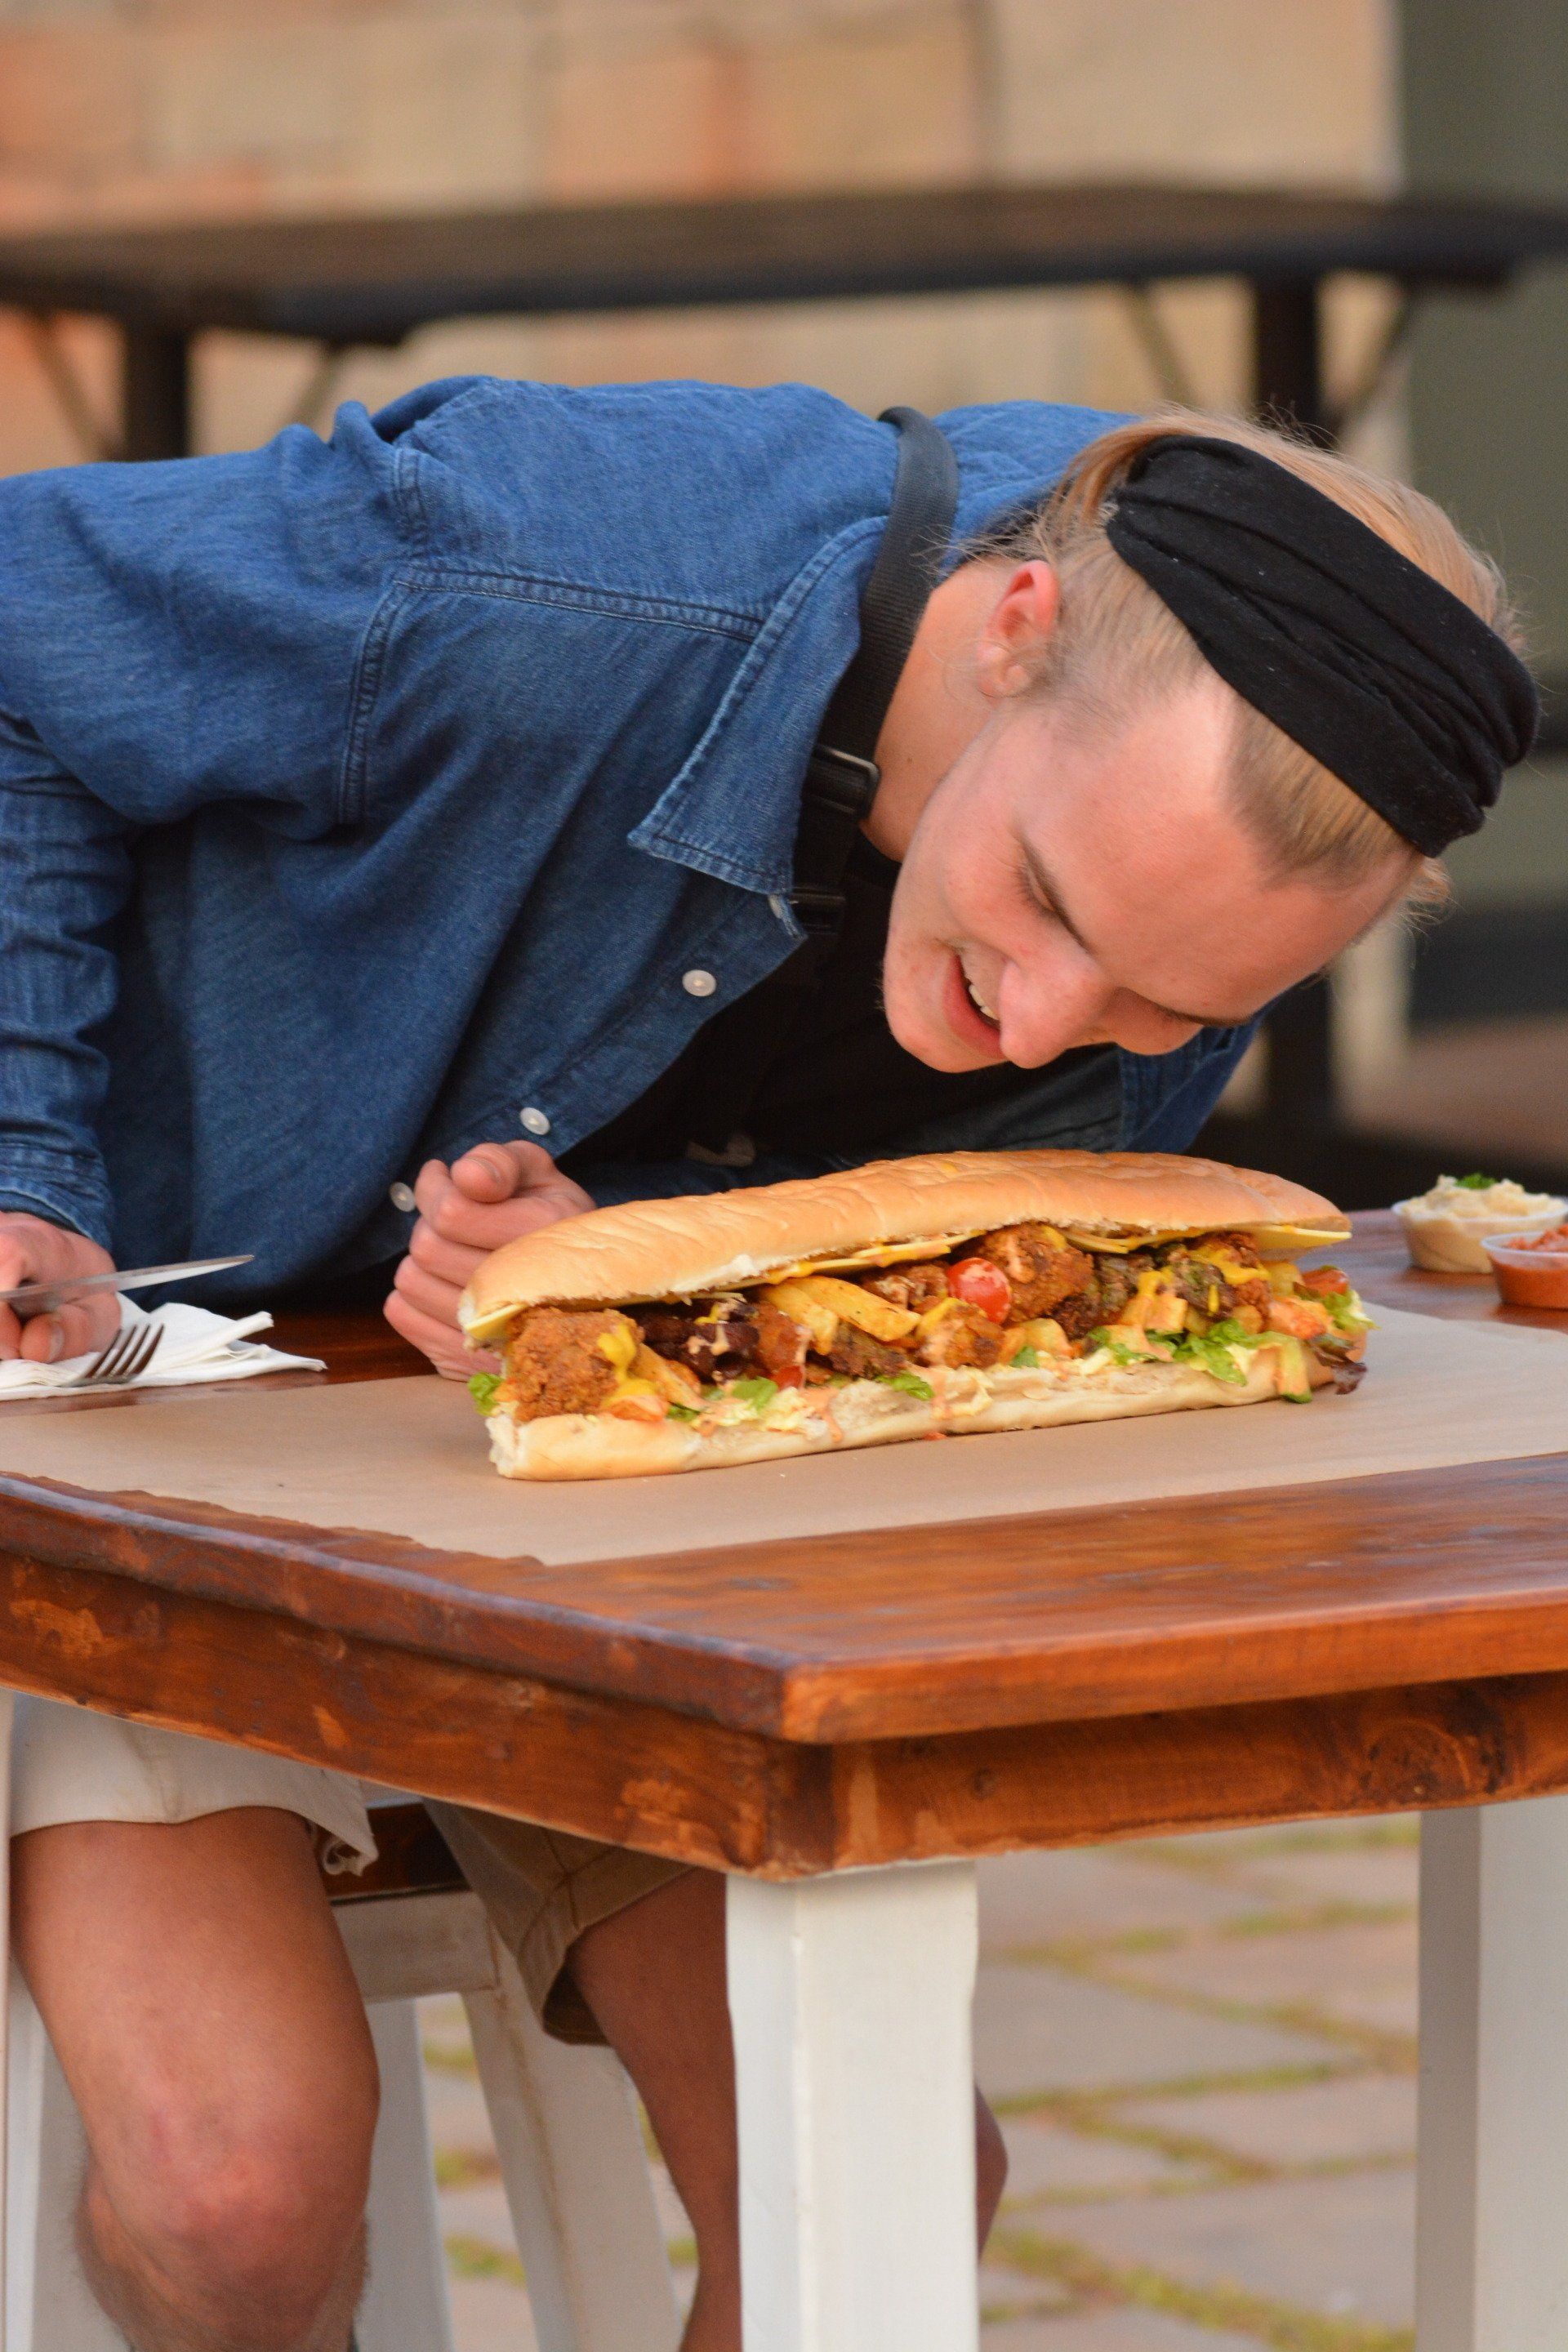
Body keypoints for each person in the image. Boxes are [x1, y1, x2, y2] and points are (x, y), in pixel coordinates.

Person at [0, 377, 1533, 2352]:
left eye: (1168, 999)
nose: (1051, 1019)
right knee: (242, 2193)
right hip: (123, 1401)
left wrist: (615, 1288)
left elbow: (875, 1274)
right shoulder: (540, 571)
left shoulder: (1193, 843)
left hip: (572, 1518)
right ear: (1011, 634)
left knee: (888, 2177)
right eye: (1051, 905)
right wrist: (21, 1168)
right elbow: (22, 646)